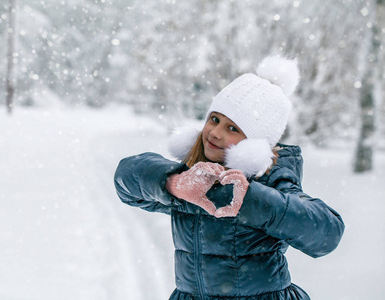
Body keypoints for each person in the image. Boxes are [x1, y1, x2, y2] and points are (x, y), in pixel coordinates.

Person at [114, 56, 344, 300]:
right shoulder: (194, 177)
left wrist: (249, 199)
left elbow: (327, 234)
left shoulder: (269, 178)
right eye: (215, 119)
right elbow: (126, 179)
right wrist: (174, 183)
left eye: (232, 128)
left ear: (254, 145)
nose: (215, 133)